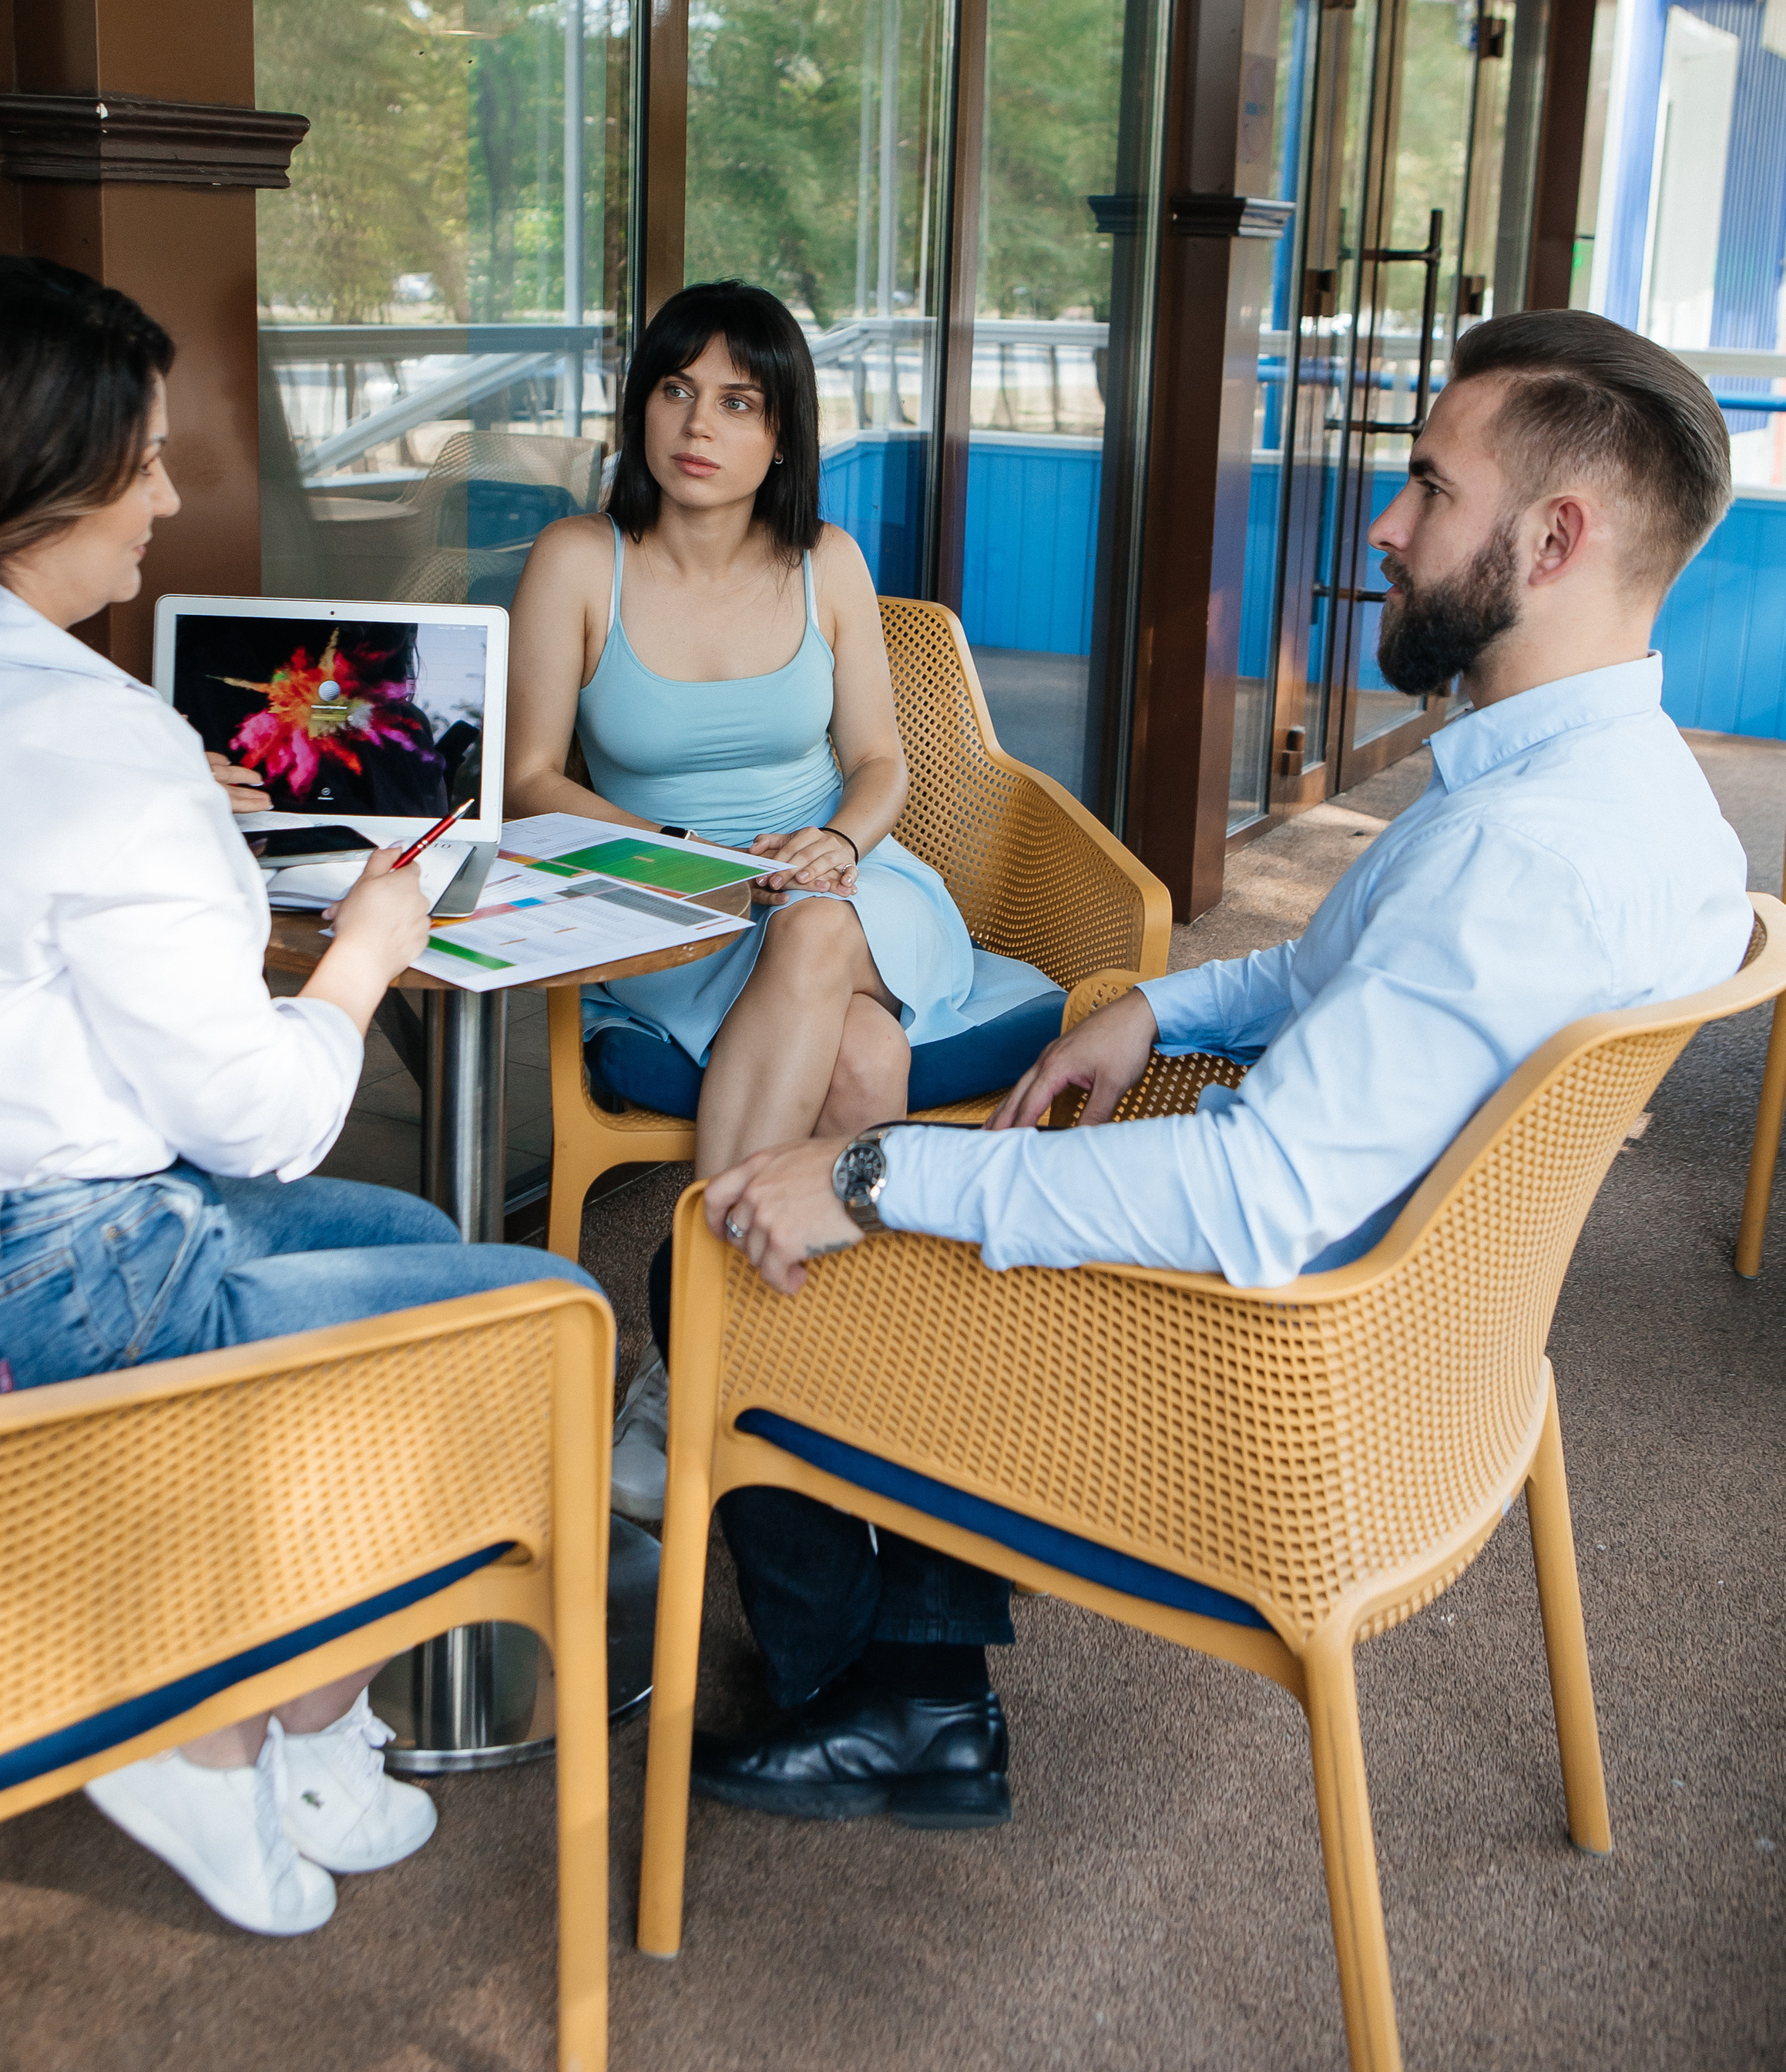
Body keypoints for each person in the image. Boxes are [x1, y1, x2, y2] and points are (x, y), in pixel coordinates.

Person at [685, 310, 1751, 1825]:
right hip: (1443, 1367)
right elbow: (1337, 983)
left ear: (1554, 536)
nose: (1381, 525)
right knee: (949, 1195)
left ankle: (883, 1700)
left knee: (729, 1260)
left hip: (1256, 1385)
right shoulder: (1647, 815)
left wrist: (861, 1174)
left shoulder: (1516, 858)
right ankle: (921, 1665)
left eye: (1430, 490)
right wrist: (1156, 1016)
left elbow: (1249, 1198)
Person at [0, 254, 590, 1936]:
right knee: (545, 1322)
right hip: (30, 1294)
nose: (169, 496)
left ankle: (300, 1727)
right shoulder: (94, 735)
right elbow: (260, 1119)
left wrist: (193, 824)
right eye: (144, 460)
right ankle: (215, 1721)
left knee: (398, 1226)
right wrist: (369, 943)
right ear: (45, 481)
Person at [505, 281, 1061, 1513]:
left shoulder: (829, 564)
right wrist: (679, 853)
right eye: (675, 389)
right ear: (642, 405)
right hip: (669, 904)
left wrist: (839, 848)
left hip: (853, 884)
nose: (698, 424)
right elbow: (531, 778)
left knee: (815, 934)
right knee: (862, 1059)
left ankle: (690, 1355)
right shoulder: (578, 560)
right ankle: (832, 1384)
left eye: (738, 401)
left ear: (781, 434)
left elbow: (881, 764)